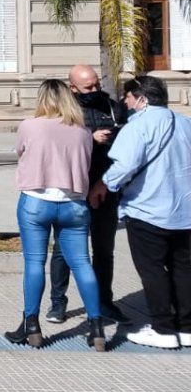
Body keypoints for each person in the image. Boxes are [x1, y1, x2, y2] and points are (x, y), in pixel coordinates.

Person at [4, 79, 104, 351]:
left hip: (36, 201)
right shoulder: (83, 130)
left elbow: (20, 151)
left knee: (35, 263)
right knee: (82, 264)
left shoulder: (30, 125)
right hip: (73, 204)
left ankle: (31, 324)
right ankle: (96, 327)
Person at [96, 76, 191, 350]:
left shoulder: (136, 128)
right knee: (183, 268)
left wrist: (103, 185)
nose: (124, 102)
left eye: (128, 96)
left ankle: (162, 329)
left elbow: (124, 166)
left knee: (152, 270)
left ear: (142, 99)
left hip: (147, 210)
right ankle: (186, 327)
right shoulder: (185, 123)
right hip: (184, 211)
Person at [48, 65, 129, 324]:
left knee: (104, 250)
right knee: (63, 249)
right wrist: (89, 139)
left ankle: (104, 301)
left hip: (105, 190)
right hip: (73, 191)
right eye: (88, 87)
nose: (95, 90)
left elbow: (129, 145)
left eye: (96, 85)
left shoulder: (113, 107)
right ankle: (57, 303)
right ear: (72, 87)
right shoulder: (62, 110)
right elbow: (55, 147)